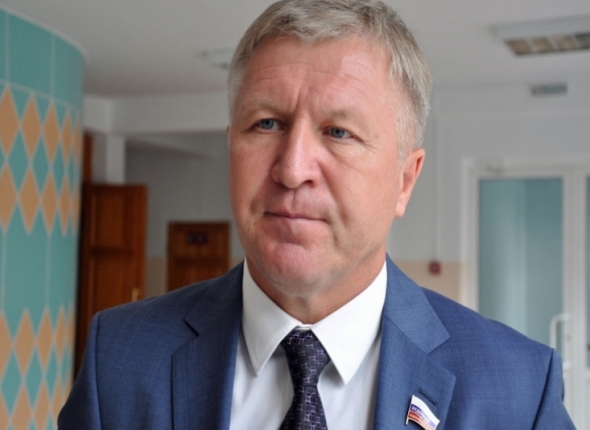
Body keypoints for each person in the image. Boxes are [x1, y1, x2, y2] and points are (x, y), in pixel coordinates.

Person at [59, 0, 575, 429]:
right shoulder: (119, 361)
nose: (292, 169)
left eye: (338, 132)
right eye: (266, 124)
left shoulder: (519, 391)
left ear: (404, 180)